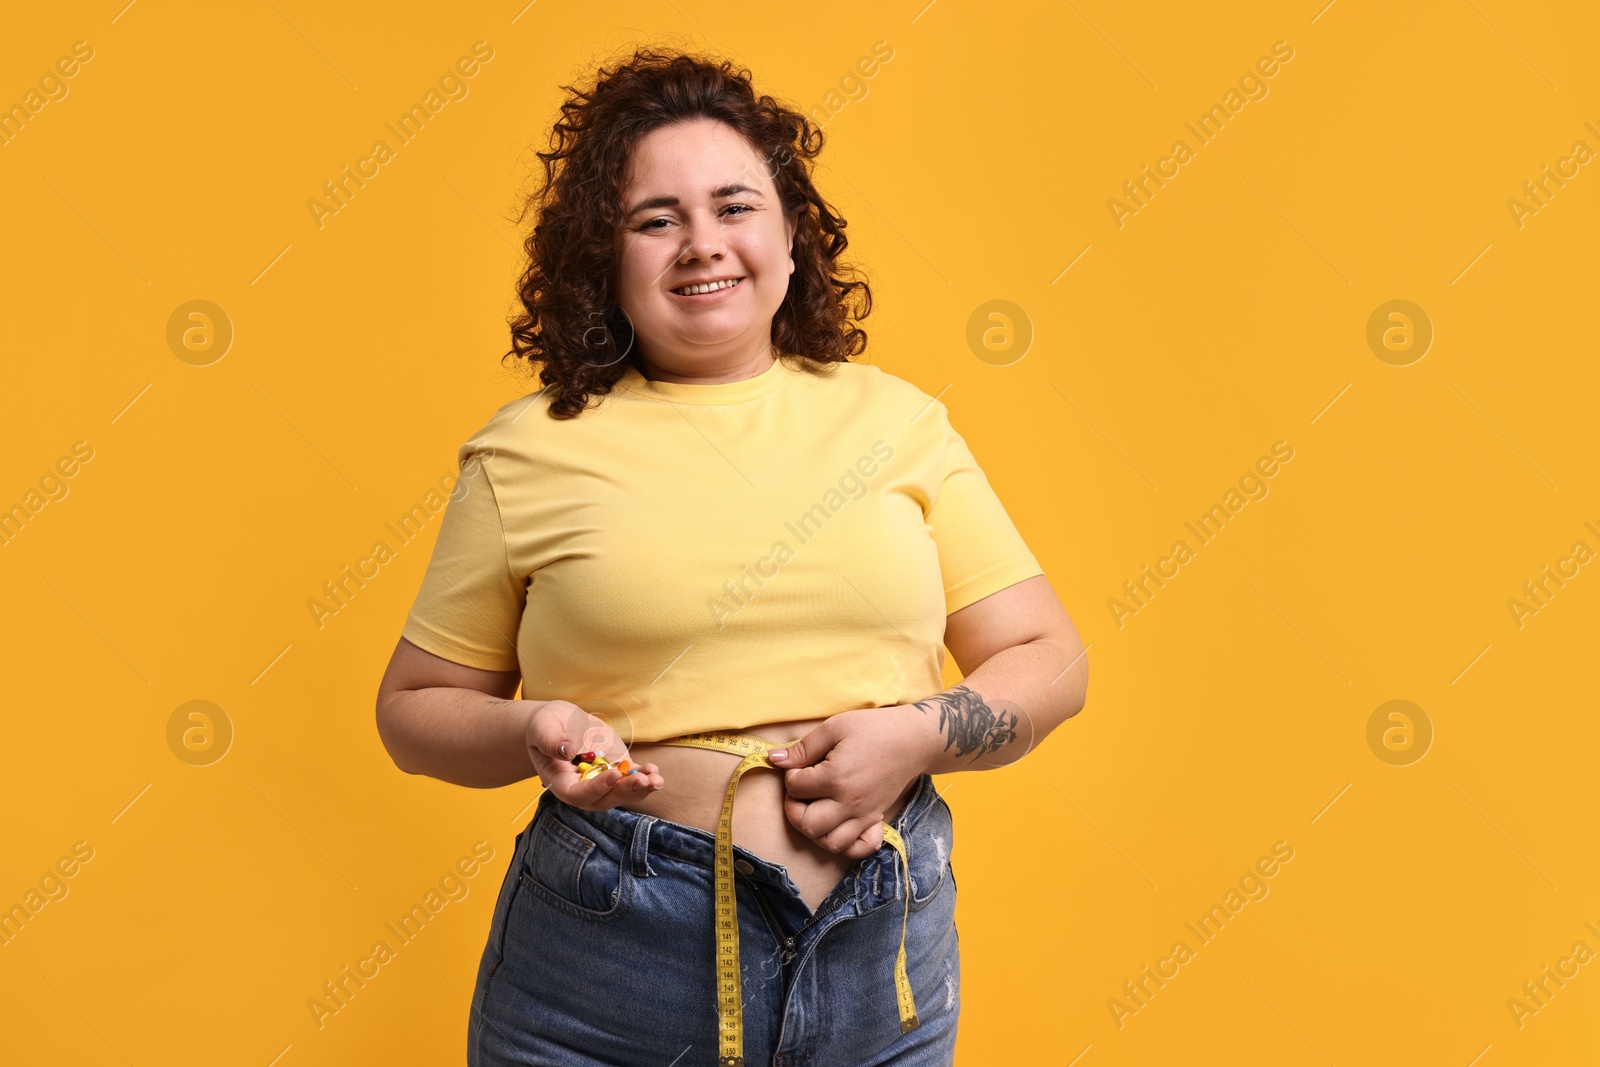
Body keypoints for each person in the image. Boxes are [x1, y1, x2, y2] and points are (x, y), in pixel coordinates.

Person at [374, 46, 1088, 1067]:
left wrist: (918, 735)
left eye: (733, 205)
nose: (699, 244)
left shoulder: (899, 423)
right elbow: (412, 711)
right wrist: (533, 727)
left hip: (877, 950)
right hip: (604, 970)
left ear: (792, 234)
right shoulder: (527, 449)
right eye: (654, 219)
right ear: (605, 258)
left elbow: (1050, 657)